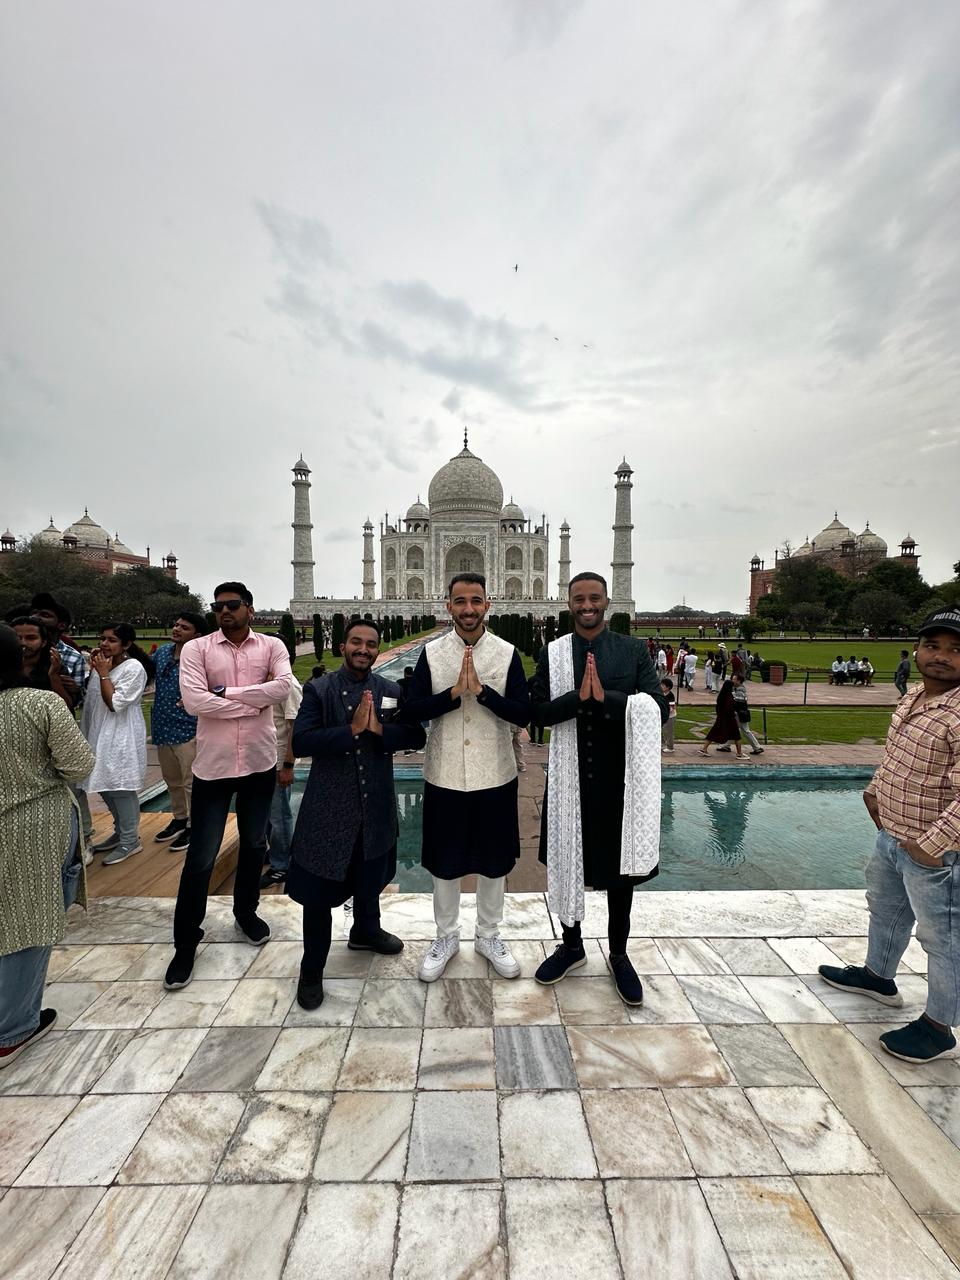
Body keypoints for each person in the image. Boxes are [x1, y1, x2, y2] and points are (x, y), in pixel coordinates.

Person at [818, 608, 960, 1063]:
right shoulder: (916, 697)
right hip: (893, 836)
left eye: (956, 650)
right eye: (933, 646)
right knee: (885, 911)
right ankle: (878, 977)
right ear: (918, 650)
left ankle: (938, 1026)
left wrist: (931, 845)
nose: (942, 657)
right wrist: (875, 792)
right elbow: (898, 757)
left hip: (935, 851)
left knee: (944, 940)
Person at [531, 572, 667, 1005]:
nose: (586, 605)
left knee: (619, 876)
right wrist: (576, 699)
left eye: (594, 598)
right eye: (578, 599)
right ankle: (571, 946)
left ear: (607, 601)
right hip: (570, 782)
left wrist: (607, 699)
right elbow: (536, 712)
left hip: (618, 781)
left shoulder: (631, 651)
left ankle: (620, 955)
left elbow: (658, 709)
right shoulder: (553, 653)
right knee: (567, 862)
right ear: (568, 604)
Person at [286, 620, 424, 1009]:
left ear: (378, 650)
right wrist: (350, 730)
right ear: (343, 645)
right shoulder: (320, 690)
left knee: (370, 873)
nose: (363, 650)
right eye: (356, 643)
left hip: (375, 802)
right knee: (319, 893)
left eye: (371, 644)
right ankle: (312, 967)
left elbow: (416, 735)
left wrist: (380, 730)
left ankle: (366, 930)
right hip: (329, 808)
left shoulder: (389, 691)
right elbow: (302, 740)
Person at [164, 582, 292, 990]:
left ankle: (246, 912)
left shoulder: (272, 647)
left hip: (258, 762)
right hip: (214, 767)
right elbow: (195, 701)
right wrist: (253, 701)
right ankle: (186, 942)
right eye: (218, 606)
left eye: (232, 605)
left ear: (249, 609)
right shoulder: (198, 649)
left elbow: (283, 688)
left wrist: (228, 694)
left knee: (256, 843)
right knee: (201, 857)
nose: (224, 612)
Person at [404, 573, 529, 982]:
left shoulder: (507, 654)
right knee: (445, 862)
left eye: (476, 600)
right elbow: (413, 708)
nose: (469, 609)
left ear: (488, 604)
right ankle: (446, 936)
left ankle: (489, 935)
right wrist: (454, 694)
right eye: (461, 601)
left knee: (494, 862)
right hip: (444, 773)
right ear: (449, 606)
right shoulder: (432, 653)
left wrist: (486, 695)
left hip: (495, 772)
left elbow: (523, 713)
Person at [0, 625, 96, 1069]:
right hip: (31, 825)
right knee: (27, 922)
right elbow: (79, 764)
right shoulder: (38, 704)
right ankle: (12, 1029)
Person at [81, 623, 154, 864]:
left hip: (120, 735)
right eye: (103, 639)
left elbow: (115, 703)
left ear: (126, 645)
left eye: (111, 640)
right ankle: (120, 831)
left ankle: (130, 840)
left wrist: (103, 673)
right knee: (103, 783)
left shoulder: (133, 668)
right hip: (98, 733)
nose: (104, 644)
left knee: (120, 787)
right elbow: (92, 704)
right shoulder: (101, 665)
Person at [151, 612, 207, 853]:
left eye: (184, 627)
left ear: (197, 635)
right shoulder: (163, 652)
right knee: (171, 780)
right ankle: (179, 818)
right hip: (163, 725)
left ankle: (196, 826)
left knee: (190, 782)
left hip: (188, 726)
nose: (177, 629)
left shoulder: (201, 657)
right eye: (176, 625)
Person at [260, 672, 304, 888]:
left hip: (278, 761)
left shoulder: (289, 686)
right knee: (268, 813)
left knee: (279, 816)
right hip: (261, 760)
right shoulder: (265, 683)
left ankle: (282, 866)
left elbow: (294, 728)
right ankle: (275, 852)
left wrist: (288, 765)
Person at [11, 615, 79, 708]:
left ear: (43, 642)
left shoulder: (55, 667)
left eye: (31, 638)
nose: (23, 643)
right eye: (18, 638)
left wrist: (54, 676)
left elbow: (67, 707)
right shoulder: (4, 668)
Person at [700, 678, 743, 757]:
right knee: (737, 735)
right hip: (729, 719)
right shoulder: (729, 696)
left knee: (713, 733)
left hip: (721, 717)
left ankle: (704, 748)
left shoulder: (721, 695)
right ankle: (739, 753)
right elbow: (729, 708)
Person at [725, 673, 764, 754]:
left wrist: (731, 695)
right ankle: (726, 746)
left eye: (734, 679)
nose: (732, 680)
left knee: (745, 730)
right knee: (733, 728)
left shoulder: (740, 689)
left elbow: (739, 700)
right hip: (740, 713)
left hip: (740, 714)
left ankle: (757, 747)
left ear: (739, 681)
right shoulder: (737, 688)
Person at [660, 677, 676, 753]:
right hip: (663, 715)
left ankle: (670, 747)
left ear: (668, 687)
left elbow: (671, 708)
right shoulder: (662, 694)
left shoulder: (670, 696)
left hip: (670, 716)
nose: (661, 687)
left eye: (663, 685)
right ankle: (662, 744)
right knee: (661, 730)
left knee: (669, 732)